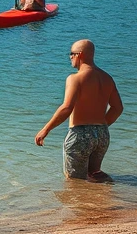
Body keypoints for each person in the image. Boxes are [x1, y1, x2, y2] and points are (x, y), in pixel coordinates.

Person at [35, 39, 123, 183]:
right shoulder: (107, 78)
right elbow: (118, 108)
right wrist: (100, 126)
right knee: (94, 174)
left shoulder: (75, 78)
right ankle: (101, 201)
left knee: (75, 182)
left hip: (80, 135)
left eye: (71, 54)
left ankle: (80, 205)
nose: (70, 57)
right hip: (102, 134)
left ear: (79, 55)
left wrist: (45, 130)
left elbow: (66, 107)